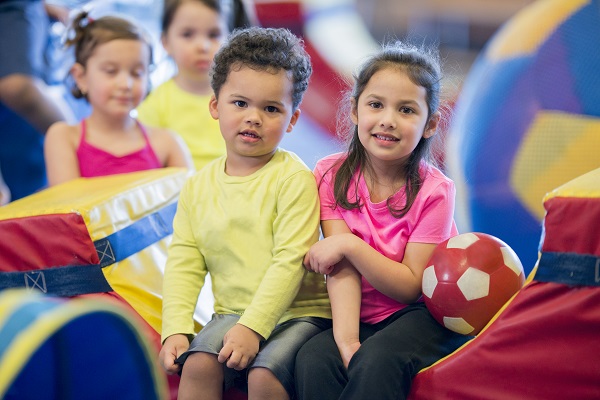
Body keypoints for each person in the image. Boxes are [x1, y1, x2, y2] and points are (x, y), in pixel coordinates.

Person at [159, 27, 331, 400]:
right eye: (240, 103)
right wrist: (174, 329)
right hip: (231, 312)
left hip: (300, 314)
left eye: (270, 109)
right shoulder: (197, 186)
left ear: (292, 120)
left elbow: (290, 260)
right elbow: (184, 262)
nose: (253, 117)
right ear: (215, 106)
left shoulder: (293, 179)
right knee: (198, 365)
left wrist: (252, 328)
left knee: (264, 375)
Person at [294, 42, 472, 400]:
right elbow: (339, 270)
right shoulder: (330, 174)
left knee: (377, 361)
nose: (388, 120)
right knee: (313, 360)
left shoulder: (436, 190)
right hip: (359, 314)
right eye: (376, 104)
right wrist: (346, 341)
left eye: (406, 110)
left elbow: (408, 286)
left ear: (429, 123)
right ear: (356, 110)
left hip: (421, 314)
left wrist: (349, 243)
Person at [44, 11, 193, 186]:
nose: (125, 84)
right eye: (111, 71)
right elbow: (68, 209)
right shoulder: (64, 138)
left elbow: (191, 206)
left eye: (137, 73)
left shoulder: (167, 143)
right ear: (81, 77)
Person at [136, 0, 253, 171]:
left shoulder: (245, 98)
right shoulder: (155, 105)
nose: (202, 46)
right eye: (187, 34)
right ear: (166, 42)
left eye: (213, 35)